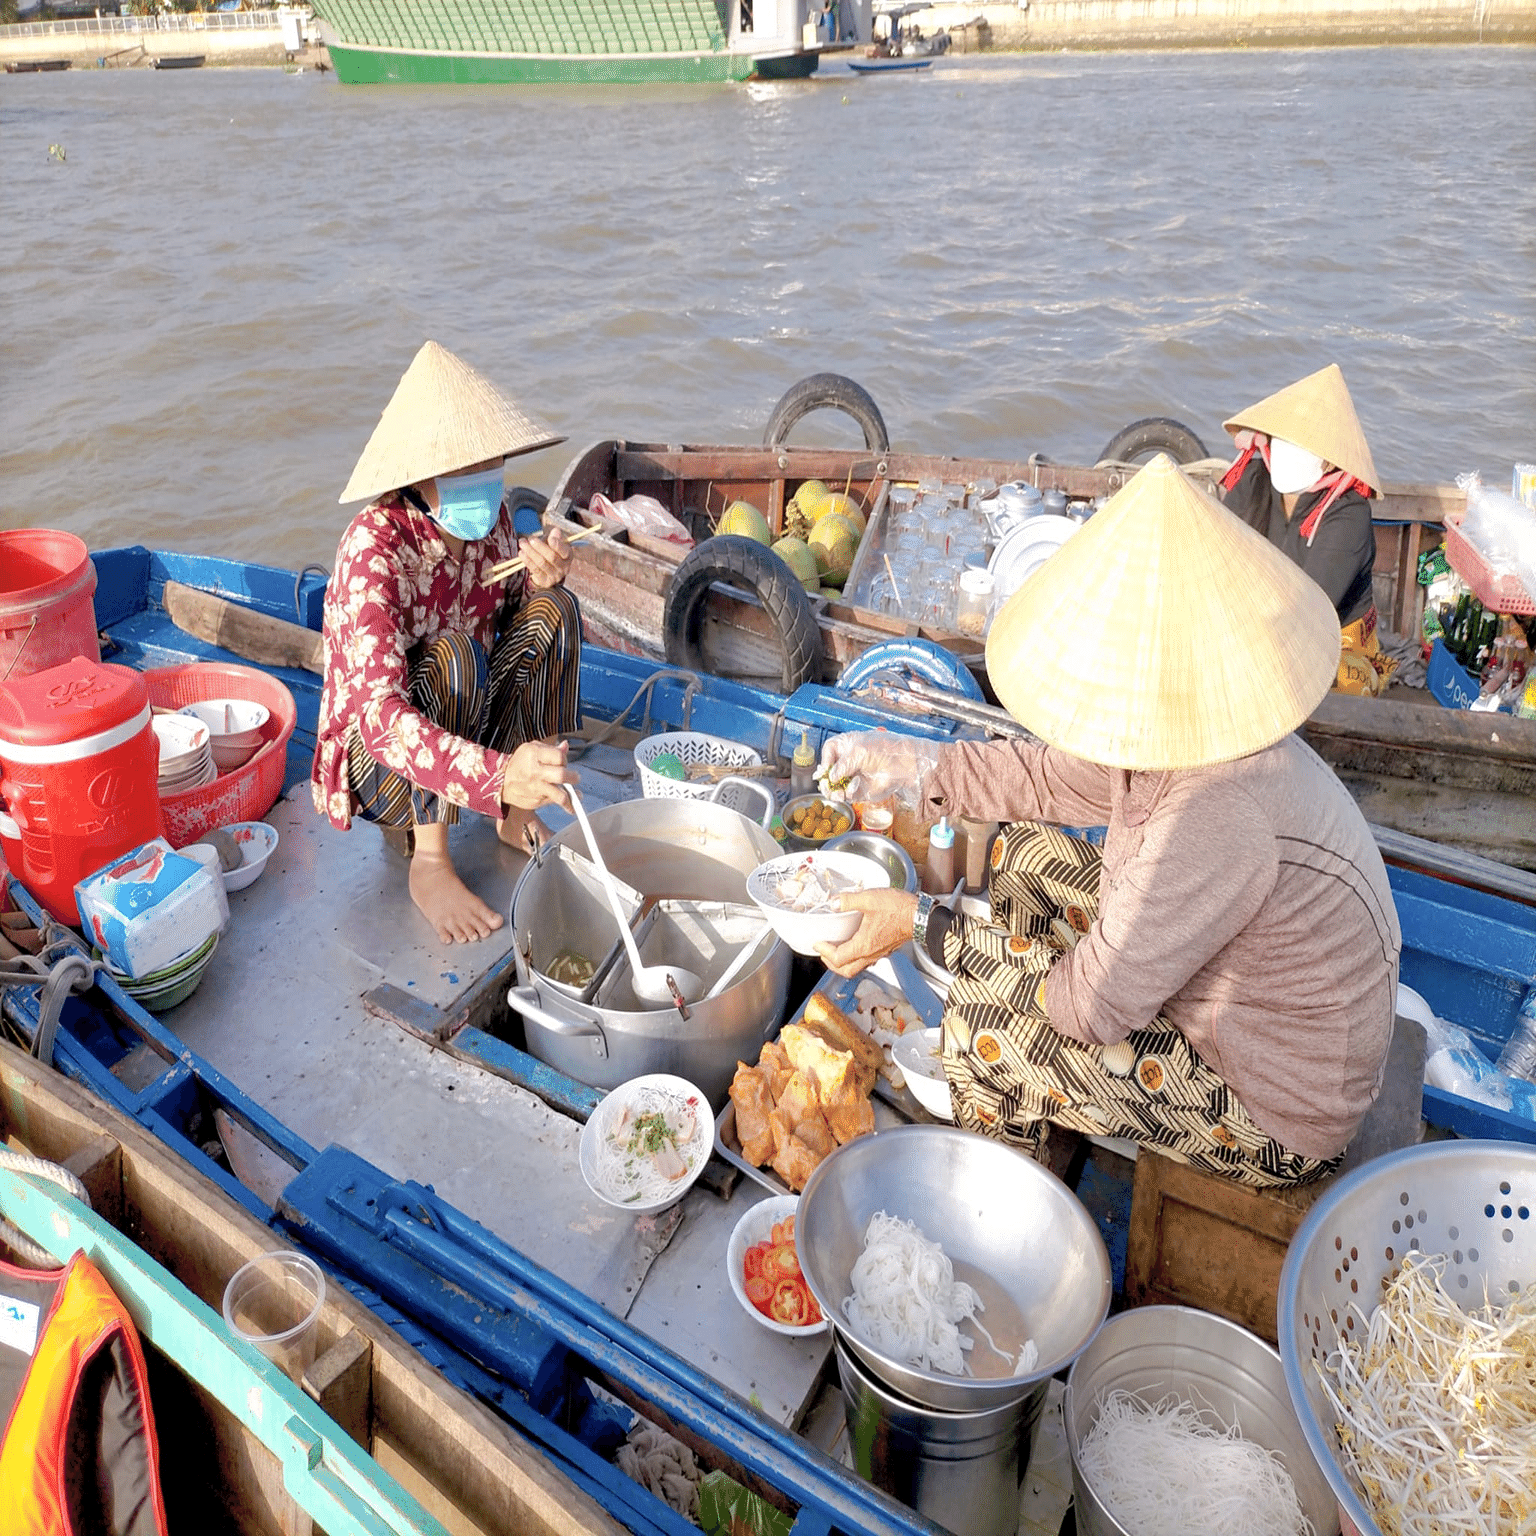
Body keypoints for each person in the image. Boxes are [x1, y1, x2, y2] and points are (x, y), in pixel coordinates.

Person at [816, 455, 1400, 1189]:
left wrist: (918, 923)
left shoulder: (1215, 813)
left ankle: (1010, 1202)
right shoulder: (1191, 726)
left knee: (981, 1031)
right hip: (1225, 991)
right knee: (1025, 853)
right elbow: (1048, 777)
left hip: (1272, 1103)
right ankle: (1034, 1070)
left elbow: (1087, 1009)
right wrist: (915, 765)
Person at [312, 340, 581, 945]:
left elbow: (519, 623)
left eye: (489, 462)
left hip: (469, 725)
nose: (480, 479)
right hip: (382, 765)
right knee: (456, 654)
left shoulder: (496, 523)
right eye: (461, 468)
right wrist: (498, 776)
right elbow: (380, 720)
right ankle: (430, 860)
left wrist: (544, 581)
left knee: (557, 609)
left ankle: (515, 815)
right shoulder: (373, 550)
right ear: (419, 476)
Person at [1218, 362, 1395, 696]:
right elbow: (1217, 546)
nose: (1288, 452)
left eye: (1304, 446)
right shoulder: (1254, 480)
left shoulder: (1350, 514)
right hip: (1255, 620)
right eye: (1283, 440)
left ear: (1329, 461)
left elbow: (1309, 608)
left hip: (1335, 639)